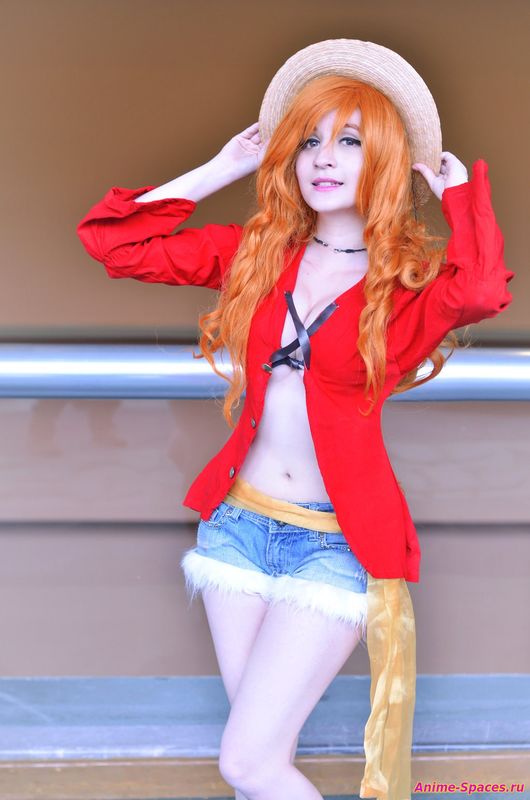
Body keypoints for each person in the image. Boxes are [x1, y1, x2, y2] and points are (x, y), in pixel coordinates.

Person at [77, 39, 514, 800]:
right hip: (237, 528)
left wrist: (458, 198)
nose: (324, 158)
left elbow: (480, 291)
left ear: (385, 157)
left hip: (333, 544)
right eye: (309, 140)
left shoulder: (405, 289)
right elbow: (115, 243)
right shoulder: (255, 256)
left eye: (350, 141)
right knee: (257, 762)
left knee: (247, 763)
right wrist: (220, 169)